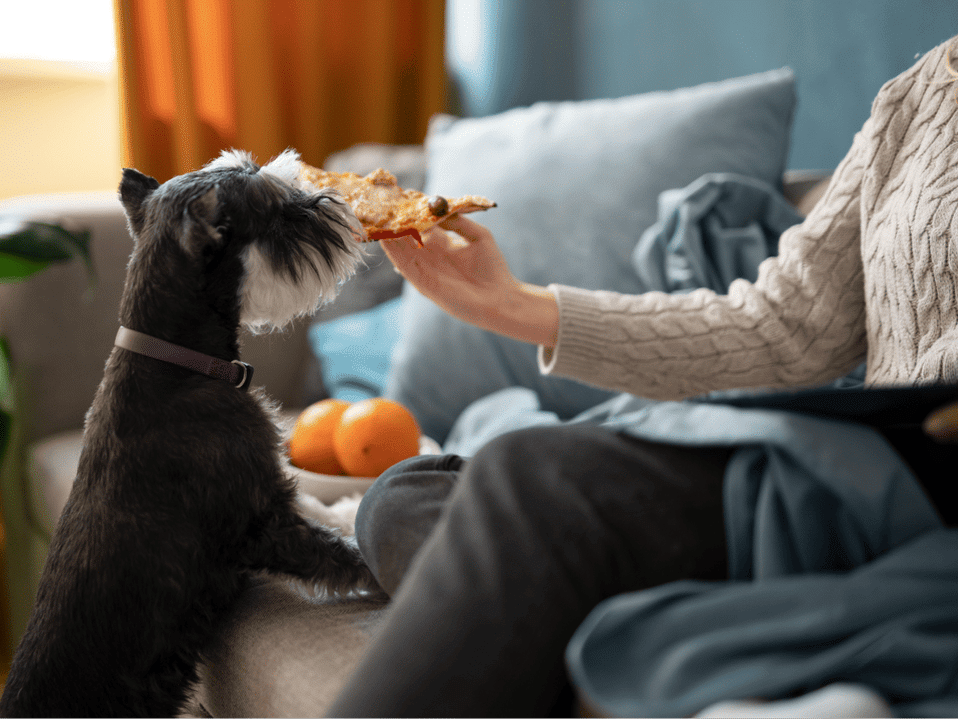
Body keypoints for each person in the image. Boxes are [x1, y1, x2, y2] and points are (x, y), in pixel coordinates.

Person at [328, 34, 958, 717]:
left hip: (909, 487)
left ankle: (665, 650)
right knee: (405, 498)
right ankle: (685, 651)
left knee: (531, 481)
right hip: (853, 463)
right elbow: (783, 326)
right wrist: (511, 305)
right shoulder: (920, 92)